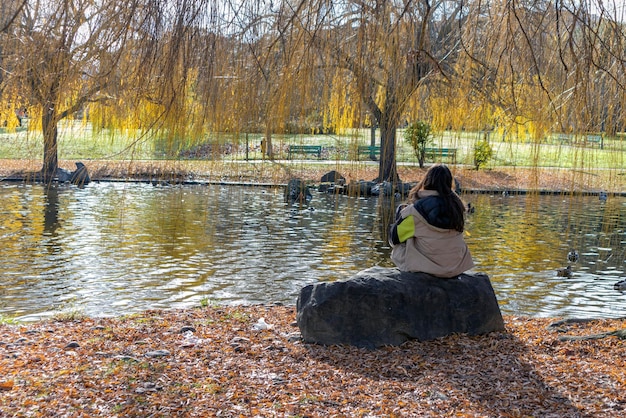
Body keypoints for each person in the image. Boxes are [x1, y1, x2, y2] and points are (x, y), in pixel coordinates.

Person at [389, 164, 474, 278]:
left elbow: (394, 239)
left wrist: (400, 216)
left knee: (403, 241)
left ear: (426, 181)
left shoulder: (414, 211)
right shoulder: (458, 208)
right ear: (450, 183)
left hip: (428, 269)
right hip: (455, 267)